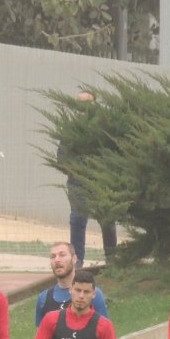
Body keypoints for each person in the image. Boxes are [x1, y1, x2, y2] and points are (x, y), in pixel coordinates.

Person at [59, 90, 117, 265]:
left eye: (87, 103)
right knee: (77, 218)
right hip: (77, 182)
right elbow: (61, 157)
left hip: (101, 182)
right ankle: (78, 261)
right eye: (79, 103)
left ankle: (111, 259)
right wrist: (75, 170)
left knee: (107, 218)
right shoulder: (69, 129)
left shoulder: (103, 128)